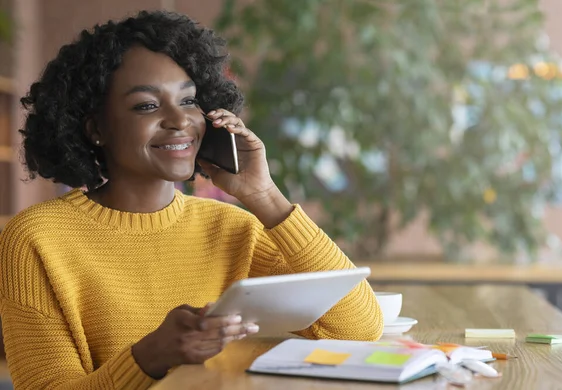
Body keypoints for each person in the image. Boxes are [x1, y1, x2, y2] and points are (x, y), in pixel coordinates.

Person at [0, 10, 383, 390]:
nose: (179, 120)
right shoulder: (37, 238)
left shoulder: (234, 228)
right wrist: (150, 356)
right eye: (147, 106)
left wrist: (265, 196)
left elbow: (359, 329)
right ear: (97, 128)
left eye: (188, 101)